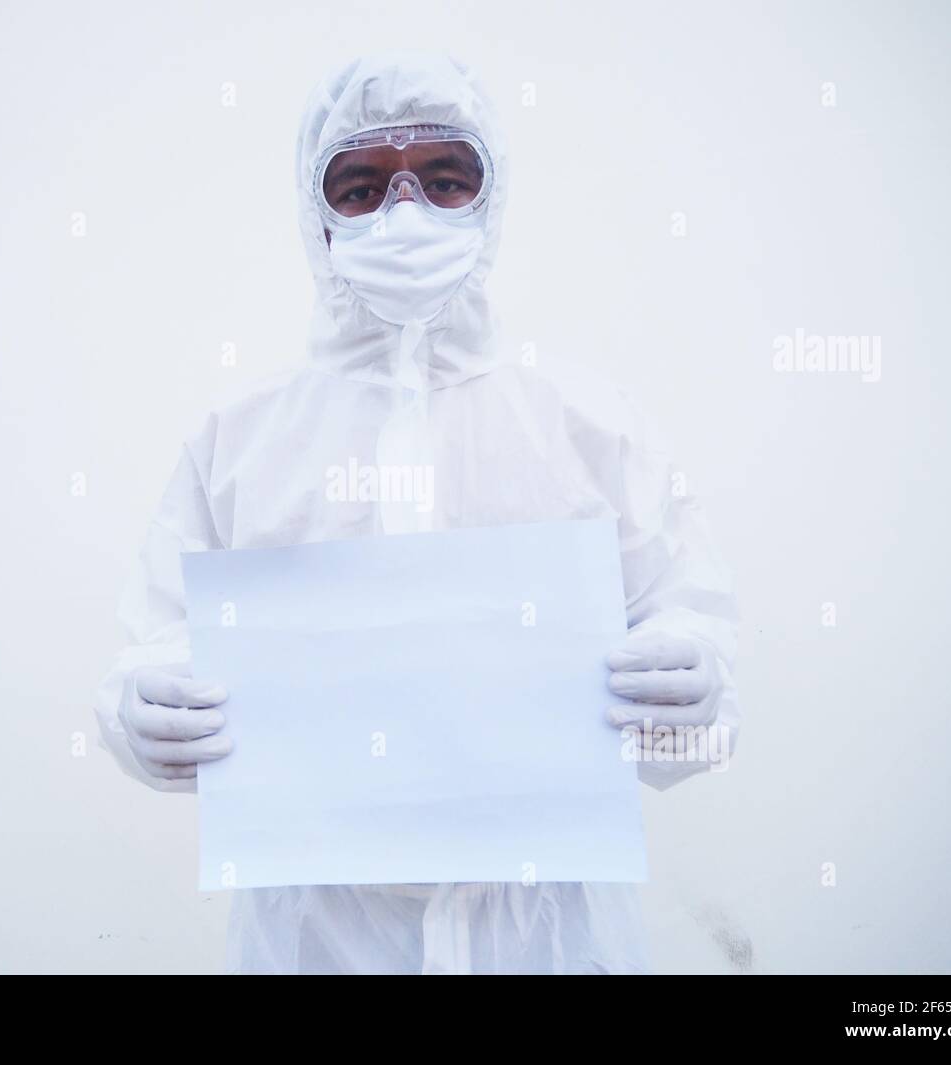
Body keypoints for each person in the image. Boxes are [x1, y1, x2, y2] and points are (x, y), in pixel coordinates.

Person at [94, 50, 740, 975]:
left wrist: (694, 689)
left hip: (555, 947)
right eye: (361, 186)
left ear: (494, 197)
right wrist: (139, 712)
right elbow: (154, 646)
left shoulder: (590, 428)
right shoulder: (237, 443)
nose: (406, 214)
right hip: (313, 948)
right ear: (314, 213)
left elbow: (695, 691)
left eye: (446, 179)